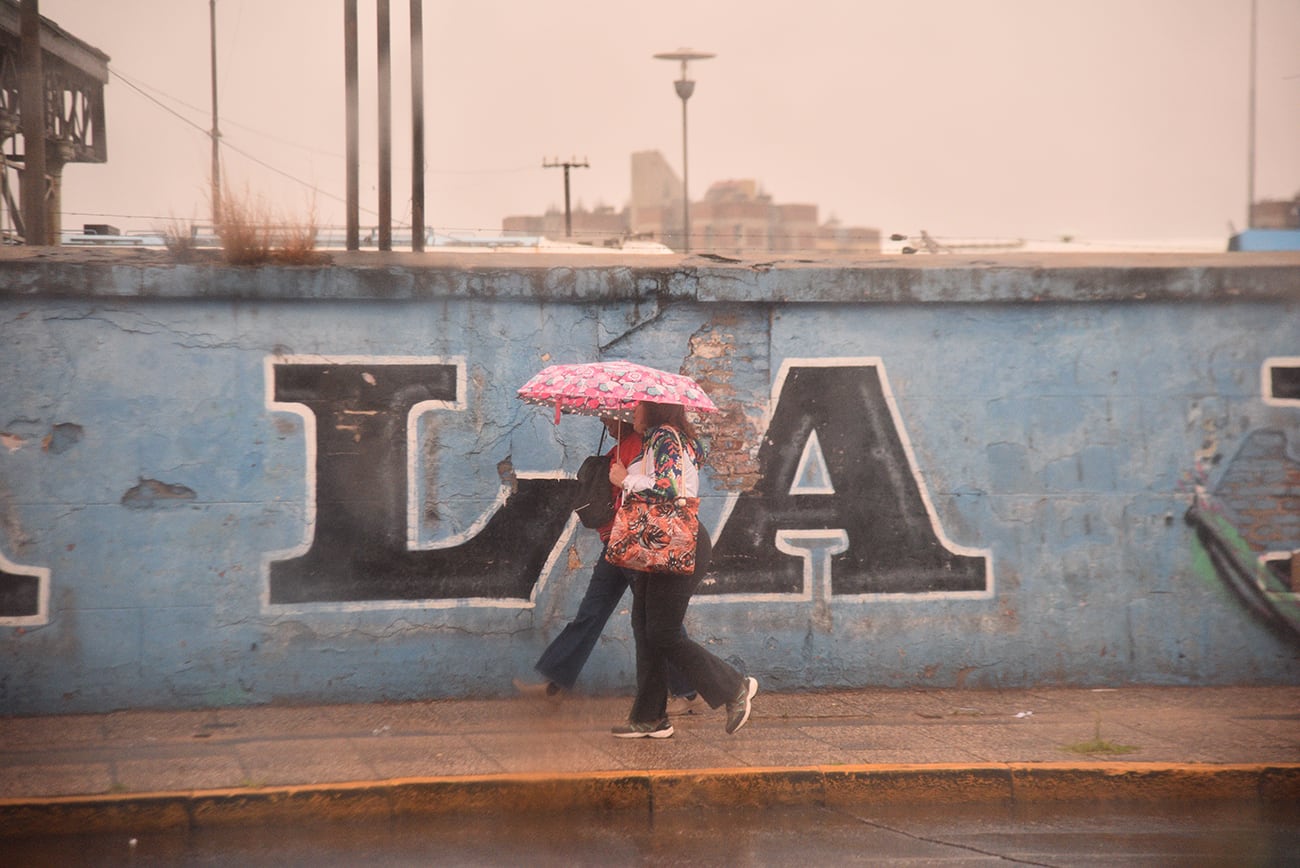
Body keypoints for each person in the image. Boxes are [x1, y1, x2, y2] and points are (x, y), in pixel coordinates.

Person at [514, 416, 703, 712]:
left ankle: (688, 690)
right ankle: (556, 684)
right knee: (592, 611)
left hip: (631, 545)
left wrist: (621, 479)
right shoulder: (619, 447)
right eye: (603, 416)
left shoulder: (642, 446)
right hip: (613, 546)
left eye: (610, 416)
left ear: (627, 416)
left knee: (659, 623)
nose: (605, 420)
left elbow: (647, 494)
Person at [607, 400, 758, 739]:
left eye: (638, 407)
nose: (632, 412)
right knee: (644, 625)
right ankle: (650, 717)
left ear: (656, 411)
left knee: (662, 632)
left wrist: (625, 479)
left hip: (676, 540)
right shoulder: (670, 438)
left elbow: (669, 488)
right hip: (661, 539)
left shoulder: (664, 436)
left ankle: (734, 686)